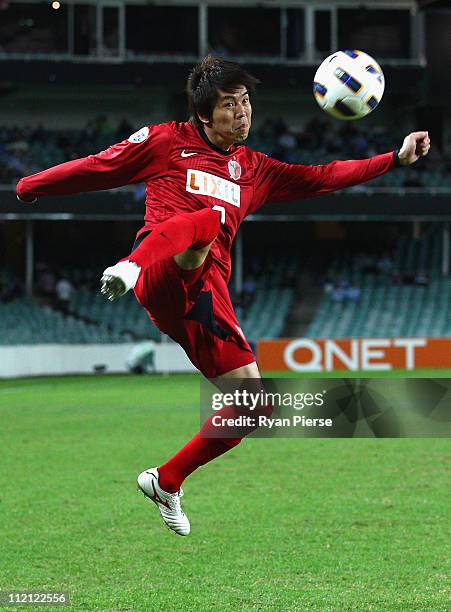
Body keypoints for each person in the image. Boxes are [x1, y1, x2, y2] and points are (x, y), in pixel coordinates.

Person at [16, 55, 431, 536]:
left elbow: (324, 176)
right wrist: (30, 185)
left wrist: (394, 159)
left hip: (204, 300)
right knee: (208, 221)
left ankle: (166, 481)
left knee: (254, 404)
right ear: (204, 115)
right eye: (230, 105)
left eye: (246, 101)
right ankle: (128, 266)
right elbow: (98, 167)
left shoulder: (254, 170)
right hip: (157, 271)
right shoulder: (166, 141)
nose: (242, 113)